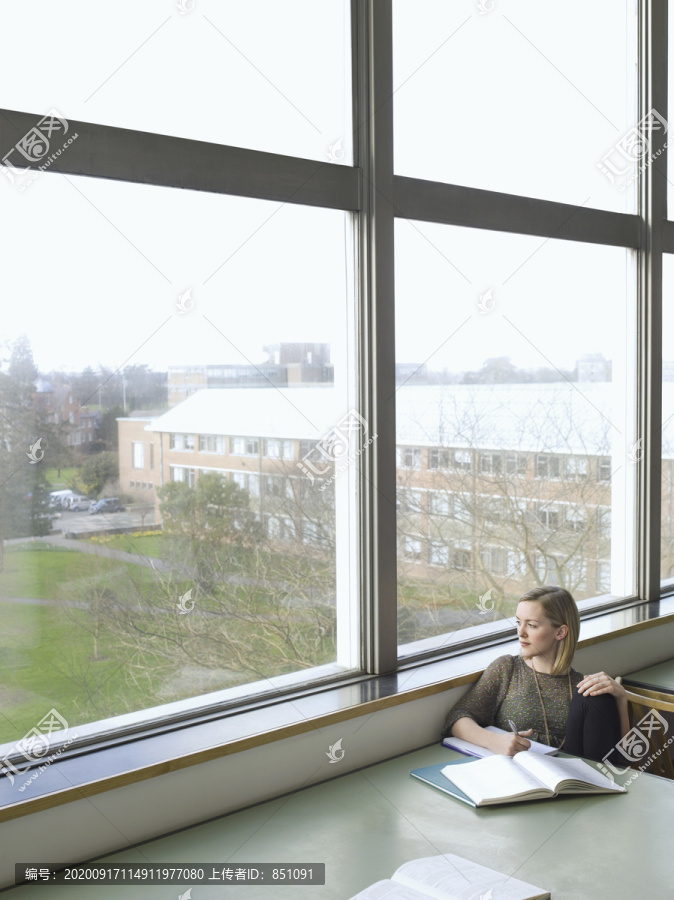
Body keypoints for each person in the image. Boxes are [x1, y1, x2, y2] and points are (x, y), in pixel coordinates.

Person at [443, 585, 630, 763]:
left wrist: (621, 699)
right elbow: (458, 717)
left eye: (531, 625)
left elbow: (618, 759)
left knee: (598, 698)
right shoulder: (507, 669)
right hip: (512, 774)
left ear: (560, 632)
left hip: (564, 778)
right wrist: (493, 741)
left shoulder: (584, 688)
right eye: (518, 622)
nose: (520, 632)